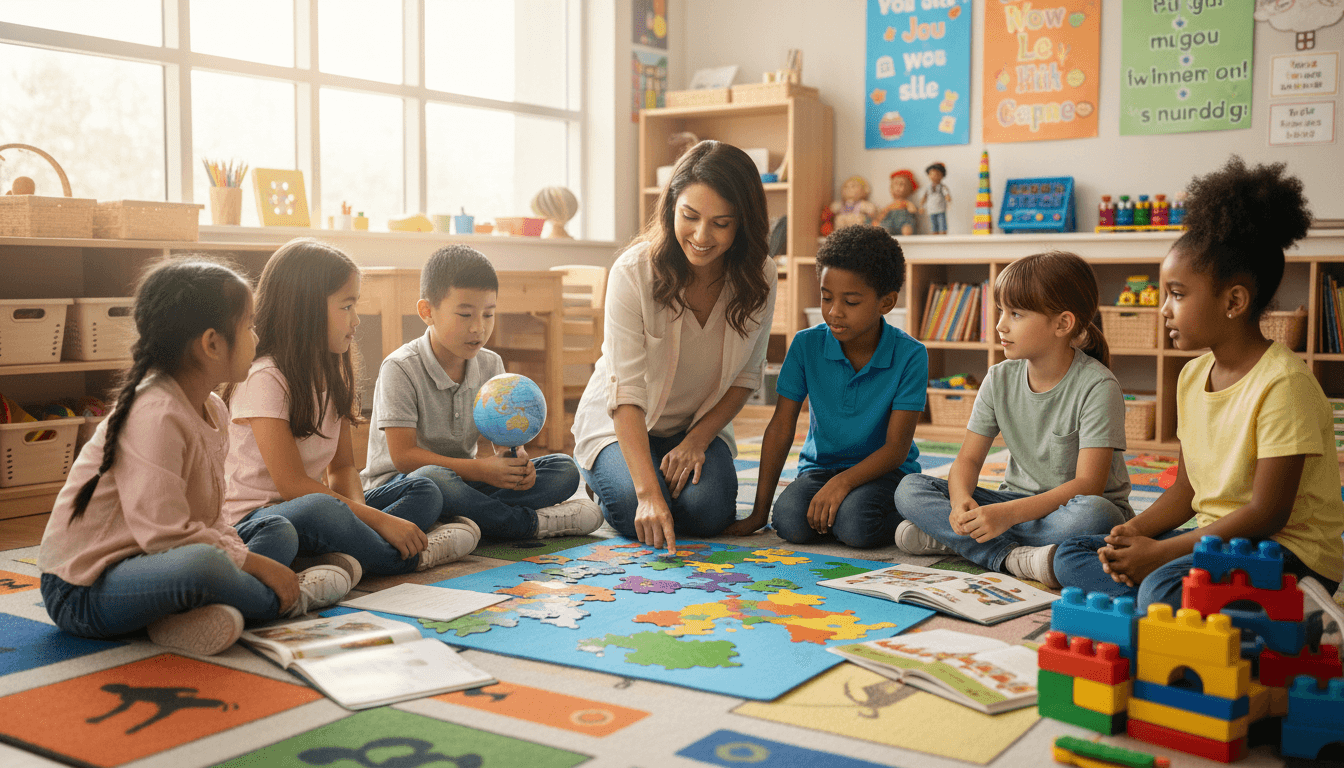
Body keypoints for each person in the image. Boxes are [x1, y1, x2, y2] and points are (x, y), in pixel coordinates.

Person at [1054, 157, 1344, 617]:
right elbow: (1185, 492)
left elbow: (1267, 513)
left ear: (1234, 301)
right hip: (1214, 540)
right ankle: (1173, 600)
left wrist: (1162, 553)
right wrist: (1136, 533)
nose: (1163, 309)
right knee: (1074, 553)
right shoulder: (1191, 376)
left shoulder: (1285, 384)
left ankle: (1302, 609)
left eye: (1177, 294)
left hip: (1287, 552)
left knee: (1161, 586)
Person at [39, 258, 352, 657]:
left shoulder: (213, 408)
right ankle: (288, 599)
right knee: (204, 564)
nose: (257, 337)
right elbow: (164, 534)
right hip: (83, 590)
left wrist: (244, 556)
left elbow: (211, 519)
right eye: (249, 326)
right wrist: (255, 565)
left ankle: (184, 615)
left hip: (156, 564)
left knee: (276, 530)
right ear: (212, 344)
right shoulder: (155, 413)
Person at [224, 238, 475, 581]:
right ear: (305, 310)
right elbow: (292, 485)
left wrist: (361, 516)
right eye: (346, 307)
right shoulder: (265, 378)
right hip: (261, 520)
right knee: (323, 509)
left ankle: (344, 555)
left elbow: (342, 468)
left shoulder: (335, 372)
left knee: (424, 490)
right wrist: (378, 521)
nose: (356, 320)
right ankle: (409, 557)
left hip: (320, 509)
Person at [572, 140, 775, 552]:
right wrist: (648, 494)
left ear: (743, 224)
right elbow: (626, 394)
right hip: (621, 427)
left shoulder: (760, 276)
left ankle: (654, 482)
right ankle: (607, 476)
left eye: (721, 223)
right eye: (690, 216)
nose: (701, 236)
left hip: (693, 427)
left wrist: (697, 441)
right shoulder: (633, 272)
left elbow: (746, 377)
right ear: (671, 208)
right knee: (636, 508)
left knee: (708, 513)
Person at [894, 251, 1132, 588]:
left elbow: (1087, 485)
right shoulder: (998, 378)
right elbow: (968, 459)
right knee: (909, 488)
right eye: (1001, 311)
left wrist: (1004, 517)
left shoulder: (1098, 386)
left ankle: (960, 540)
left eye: (1016, 314)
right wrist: (960, 504)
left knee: (1098, 515)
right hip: (1013, 502)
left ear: (1062, 324)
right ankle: (1009, 555)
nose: (1000, 325)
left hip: (1072, 508)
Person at [360, 244, 603, 540]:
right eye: (465, 315)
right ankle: (528, 524)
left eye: (488, 314)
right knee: (432, 480)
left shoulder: (490, 363)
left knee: (563, 469)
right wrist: (481, 470)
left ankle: (465, 519)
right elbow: (404, 458)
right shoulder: (400, 367)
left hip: (463, 482)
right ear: (427, 312)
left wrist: (515, 461)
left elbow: (502, 441)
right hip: (404, 487)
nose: (478, 327)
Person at [725, 225, 926, 547]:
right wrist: (759, 512)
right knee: (789, 521)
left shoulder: (911, 355)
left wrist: (843, 483)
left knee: (856, 524)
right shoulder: (806, 345)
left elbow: (896, 448)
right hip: (821, 469)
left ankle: (908, 517)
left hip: (885, 473)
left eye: (851, 301)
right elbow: (781, 426)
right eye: (826, 297)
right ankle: (836, 513)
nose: (834, 312)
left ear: (886, 302)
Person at [880, 170, 918, 236]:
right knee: (884, 227)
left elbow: (913, 210)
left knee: (907, 226)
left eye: (901, 184)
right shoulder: (891, 205)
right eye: (895, 184)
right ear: (891, 187)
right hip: (891, 223)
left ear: (908, 188)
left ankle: (906, 231)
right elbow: (884, 212)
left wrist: (912, 208)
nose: (898, 187)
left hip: (904, 222)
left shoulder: (906, 203)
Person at [920, 162, 951, 234]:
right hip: (931, 210)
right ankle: (935, 234)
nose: (934, 176)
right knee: (933, 225)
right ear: (929, 175)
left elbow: (946, 195)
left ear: (942, 176)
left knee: (942, 224)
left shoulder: (942, 187)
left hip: (940, 209)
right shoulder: (928, 188)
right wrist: (921, 206)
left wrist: (948, 198)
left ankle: (943, 234)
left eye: (937, 174)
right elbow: (924, 197)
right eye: (932, 174)